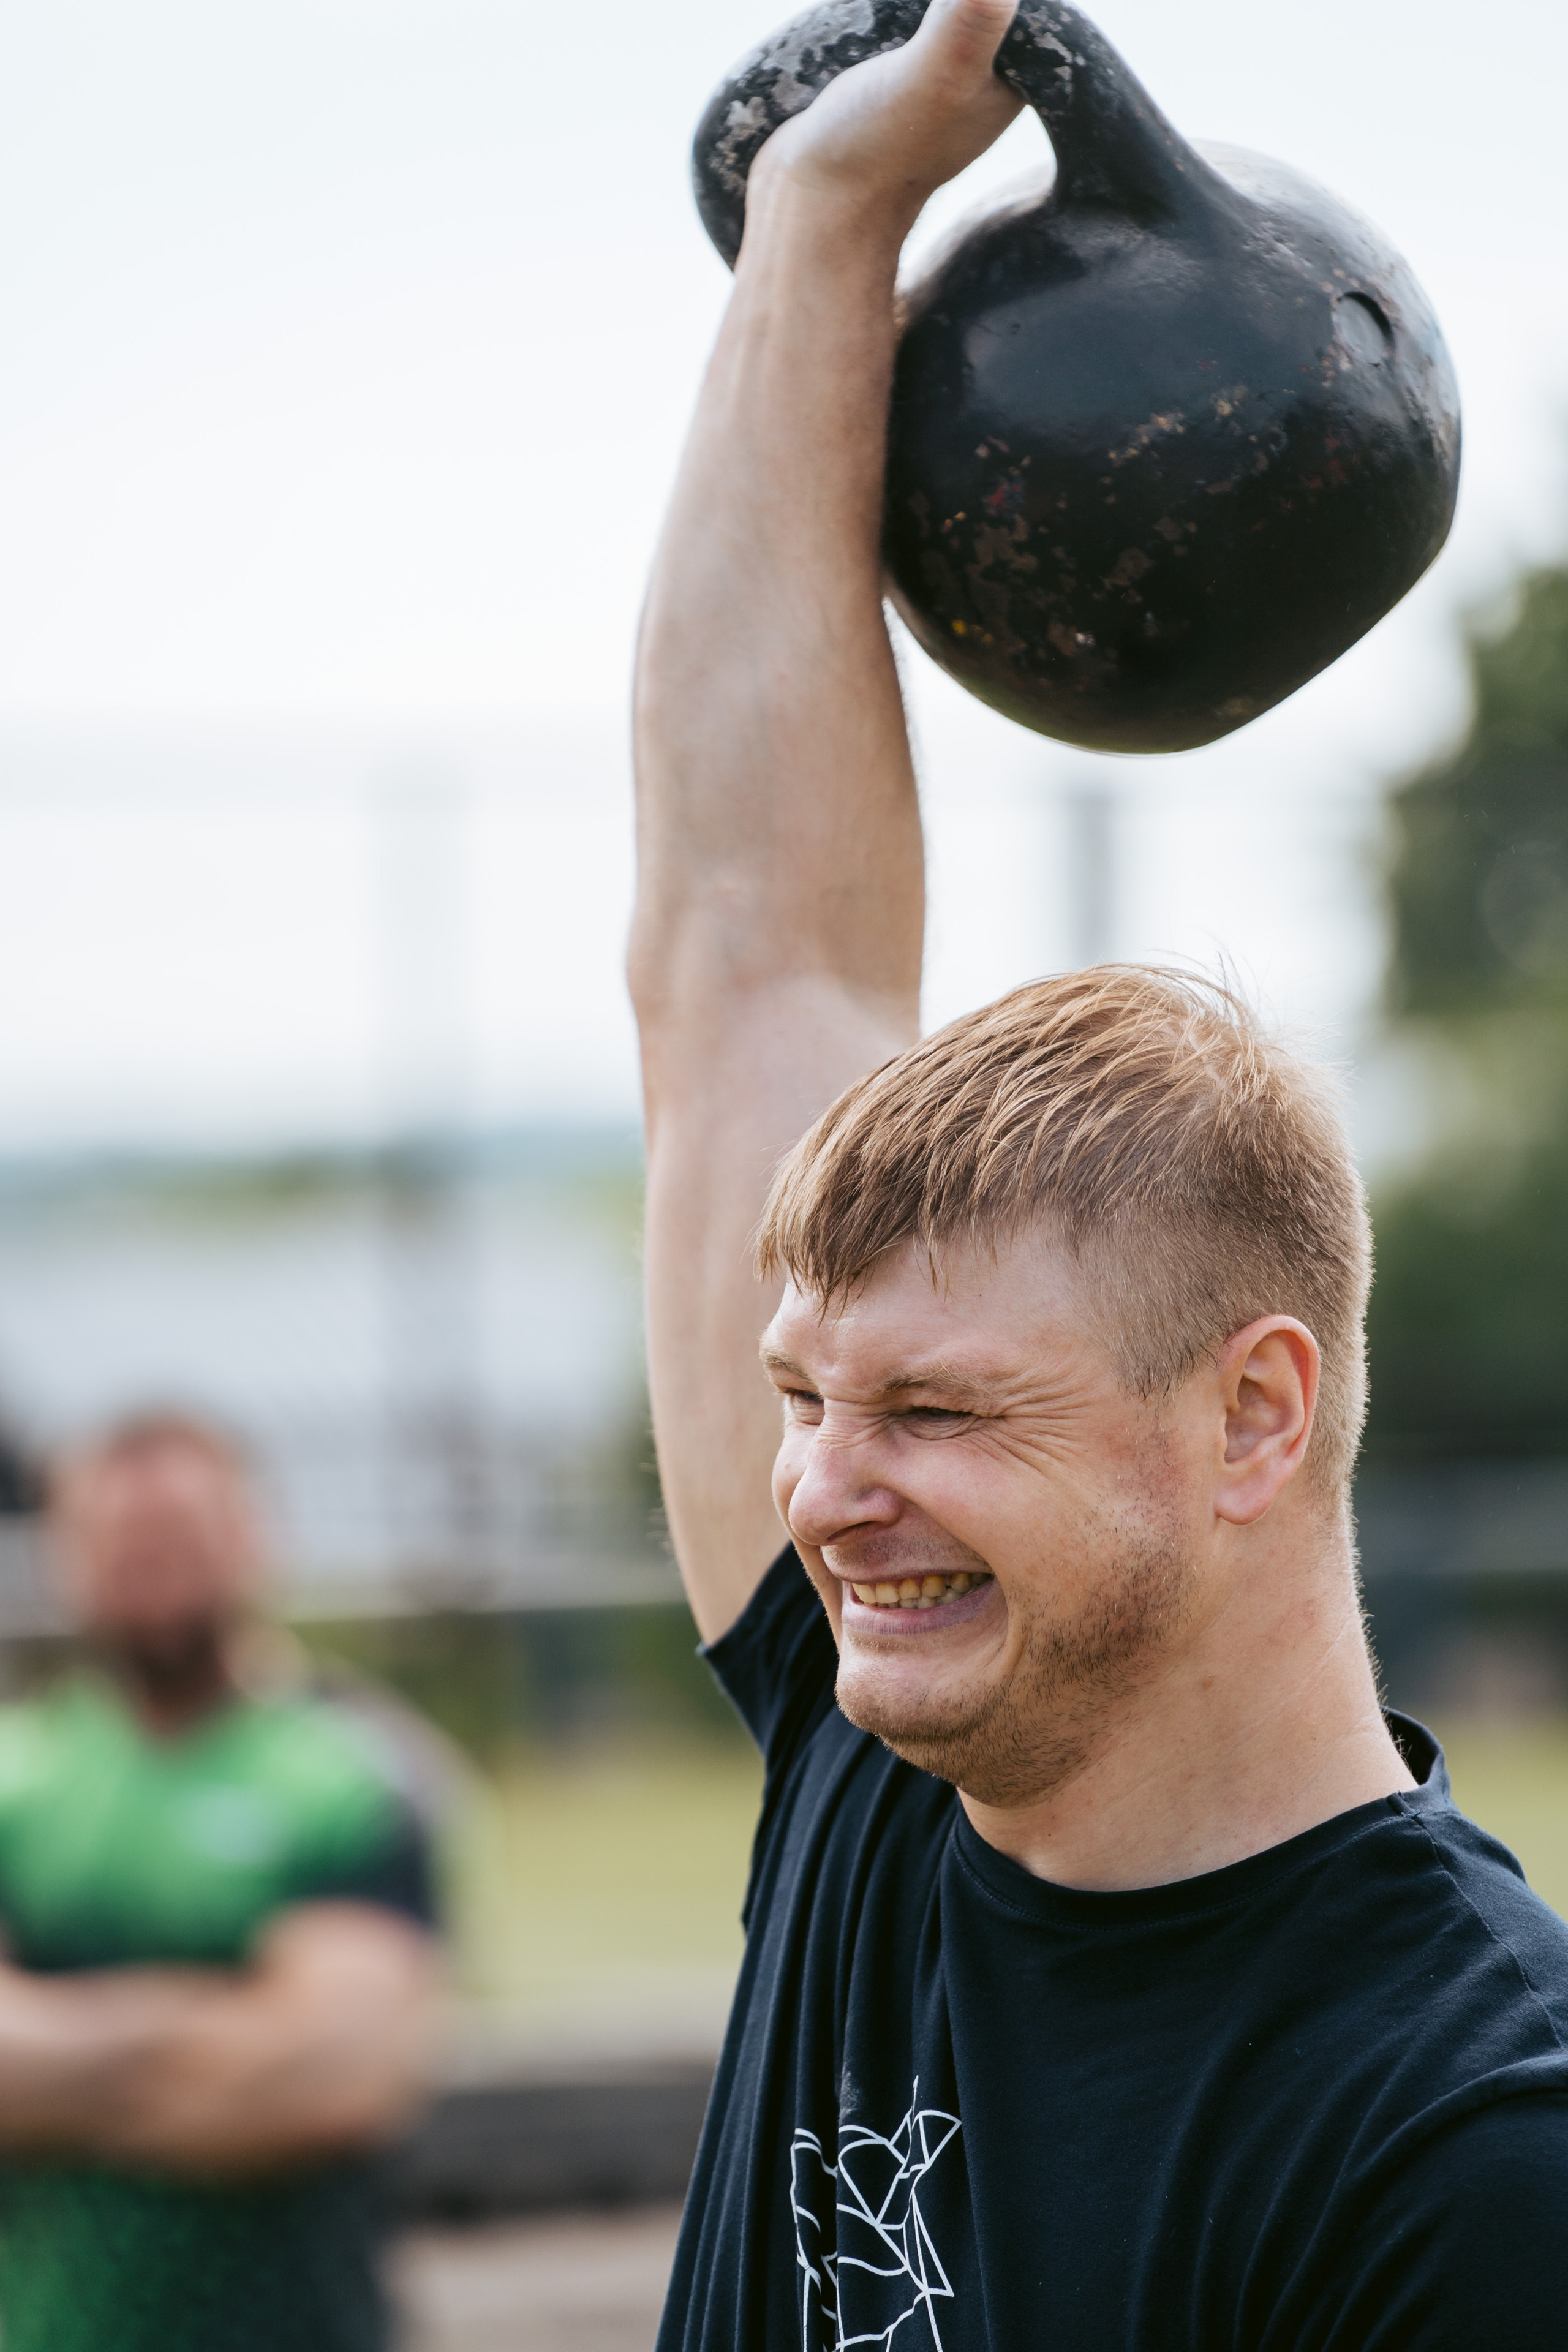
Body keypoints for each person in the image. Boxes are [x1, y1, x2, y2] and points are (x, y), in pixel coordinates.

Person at [629, 2, 1568, 2344]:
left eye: (936, 1413)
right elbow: (746, 950)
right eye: (805, 1395)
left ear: (1255, 1412)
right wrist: (830, 225)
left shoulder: (1476, 2146)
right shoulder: (885, 1783)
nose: (821, 1490)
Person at [0, 1411, 441, 2352]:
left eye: (179, 1540)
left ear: (252, 1537)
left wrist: (61, 2076)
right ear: (63, 1556)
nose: (152, 1572)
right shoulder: (17, 1787)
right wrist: (218, 2037)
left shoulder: (354, 1778)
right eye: (121, 1544)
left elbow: (335, 2077)